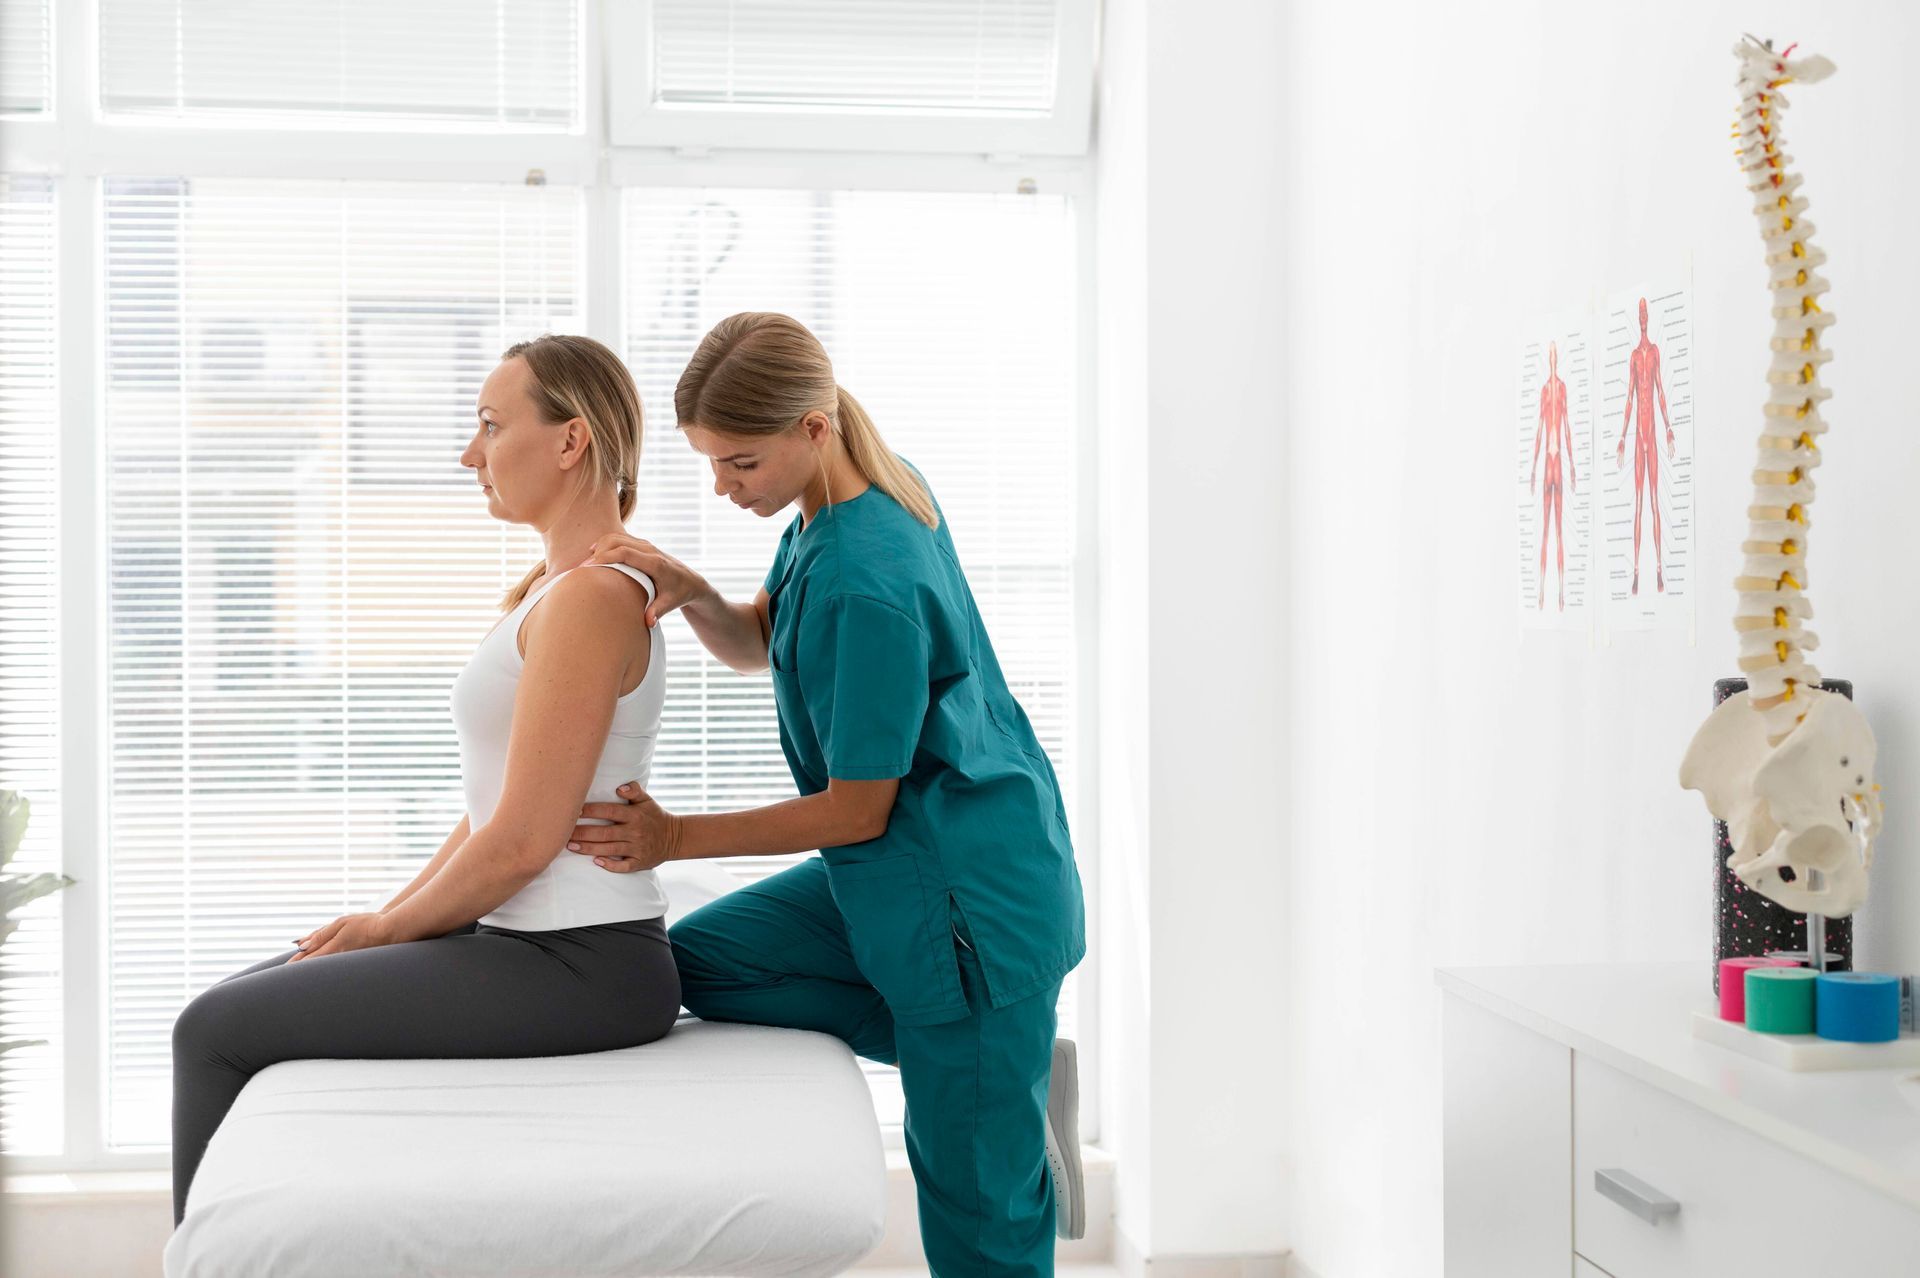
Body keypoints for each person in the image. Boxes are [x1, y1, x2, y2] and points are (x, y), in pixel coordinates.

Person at [566, 312, 1088, 1272]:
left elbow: (857, 809)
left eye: (741, 463)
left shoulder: (864, 579)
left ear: (812, 427)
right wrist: (690, 591)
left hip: (967, 894)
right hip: (911, 861)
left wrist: (672, 837)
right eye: (712, 463)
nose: (723, 486)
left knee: (978, 1220)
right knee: (698, 964)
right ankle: (999, 1068)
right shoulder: (841, 504)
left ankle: (989, 1074)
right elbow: (762, 637)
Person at [168, 335, 681, 1227]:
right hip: (527, 944)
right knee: (226, 1006)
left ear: (570, 443)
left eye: (490, 426)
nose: (469, 454)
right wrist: (382, 921)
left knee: (212, 1033)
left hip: (582, 961)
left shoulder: (594, 600)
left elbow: (525, 843)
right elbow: (494, 811)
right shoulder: (552, 594)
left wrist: (389, 930)